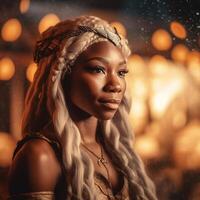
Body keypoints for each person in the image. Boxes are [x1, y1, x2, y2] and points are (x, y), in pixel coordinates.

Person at [8, 15, 157, 200]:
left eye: (121, 72)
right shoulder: (39, 155)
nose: (116, 84)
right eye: (98, 69)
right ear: (62, 75)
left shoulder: (118, 151)